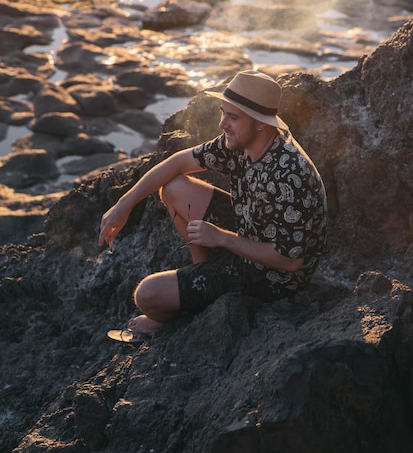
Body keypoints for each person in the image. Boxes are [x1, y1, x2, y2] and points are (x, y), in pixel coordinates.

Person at [99, 70, 327, 343]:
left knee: (147, 295)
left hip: (272, 277)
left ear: (260, 124)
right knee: (173, 187)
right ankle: (204, 277)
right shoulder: (243, 142)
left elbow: (290, 262)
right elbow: (179, 163)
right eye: (223, 112)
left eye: (233, 117)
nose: (222, 124)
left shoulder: (288, 174)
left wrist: (221, 237)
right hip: (250, 228)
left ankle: (192, 302)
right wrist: (124, 205)